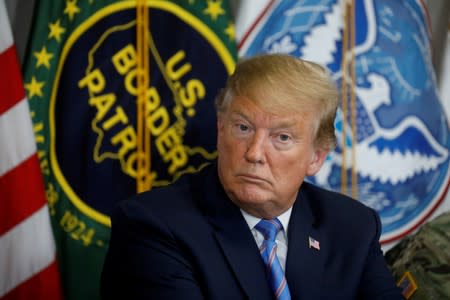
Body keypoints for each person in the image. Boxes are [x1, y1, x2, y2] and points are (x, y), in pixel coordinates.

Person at [100, 54, 403, 299]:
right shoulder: (152, 225)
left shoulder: (351, 226)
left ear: (316, 157)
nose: (255, 153)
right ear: (220, 130)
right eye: (243, 128)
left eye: (282, 137)